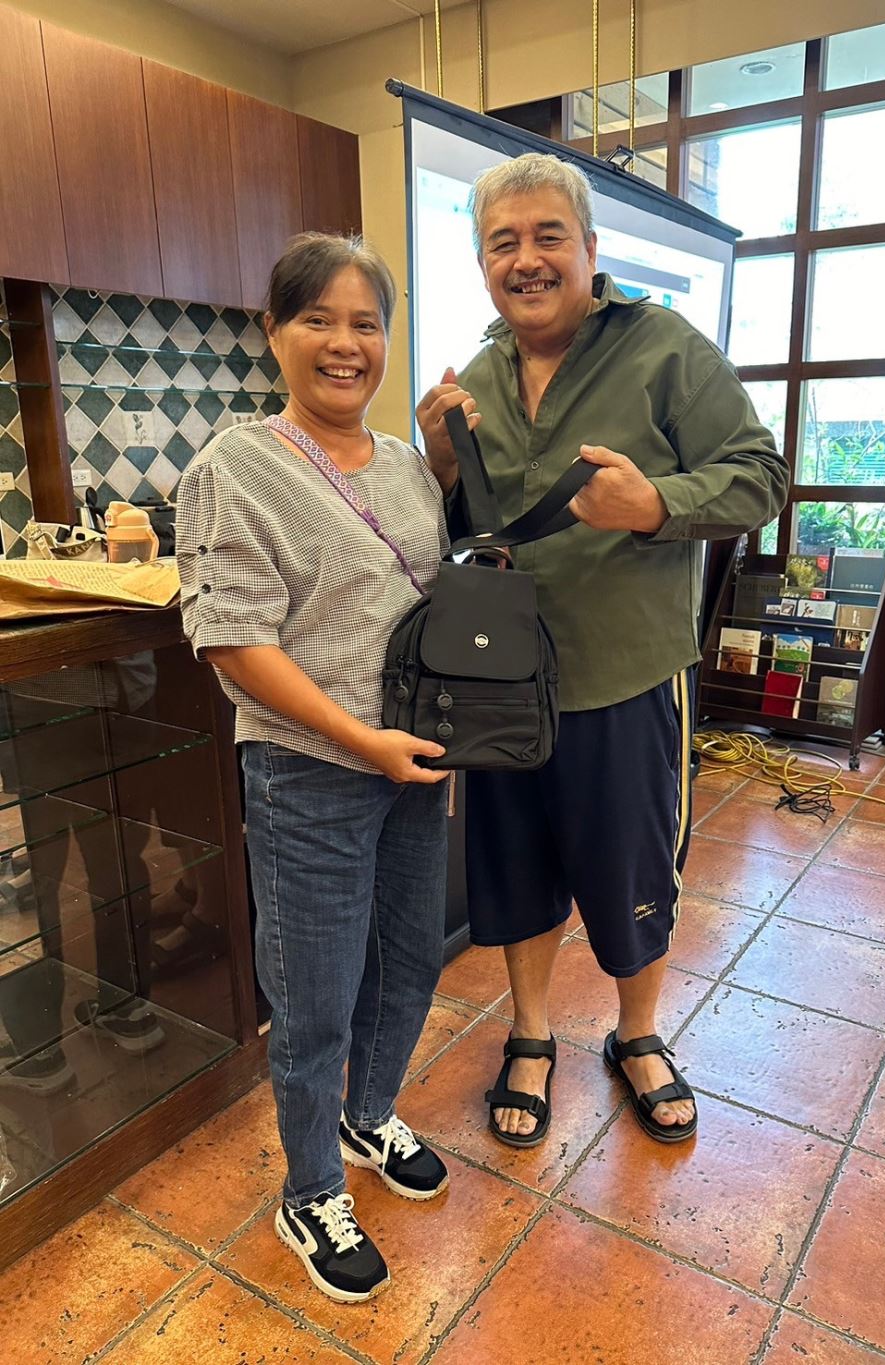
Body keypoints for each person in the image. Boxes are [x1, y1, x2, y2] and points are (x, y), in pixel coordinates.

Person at [417, 154, 787, 1147]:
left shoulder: (663, 348)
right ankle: (530, 1033)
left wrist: (657, 503)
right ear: (483, 262)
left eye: (547, 236)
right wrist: (441, 464)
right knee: (515, 868)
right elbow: (465, 528)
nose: (526, 259)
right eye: (503, 243)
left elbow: (761, 474)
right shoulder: (476, 377)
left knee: (634, 870)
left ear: (589, 248)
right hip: (503, 680)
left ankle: (638, 1033)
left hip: (625, 674)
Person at [177, 233, 451, 1304]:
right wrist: (359, 737)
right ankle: (309, 1190)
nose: (345, 344)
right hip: (309, 771)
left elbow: (422, 601)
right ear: (274, 332)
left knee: (410, 959)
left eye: (365, 323)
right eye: (318, 320)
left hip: (411, 763)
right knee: (315, 998)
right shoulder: (235, 468)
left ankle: (368, 1115)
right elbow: (233, 641)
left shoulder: (406, 466)